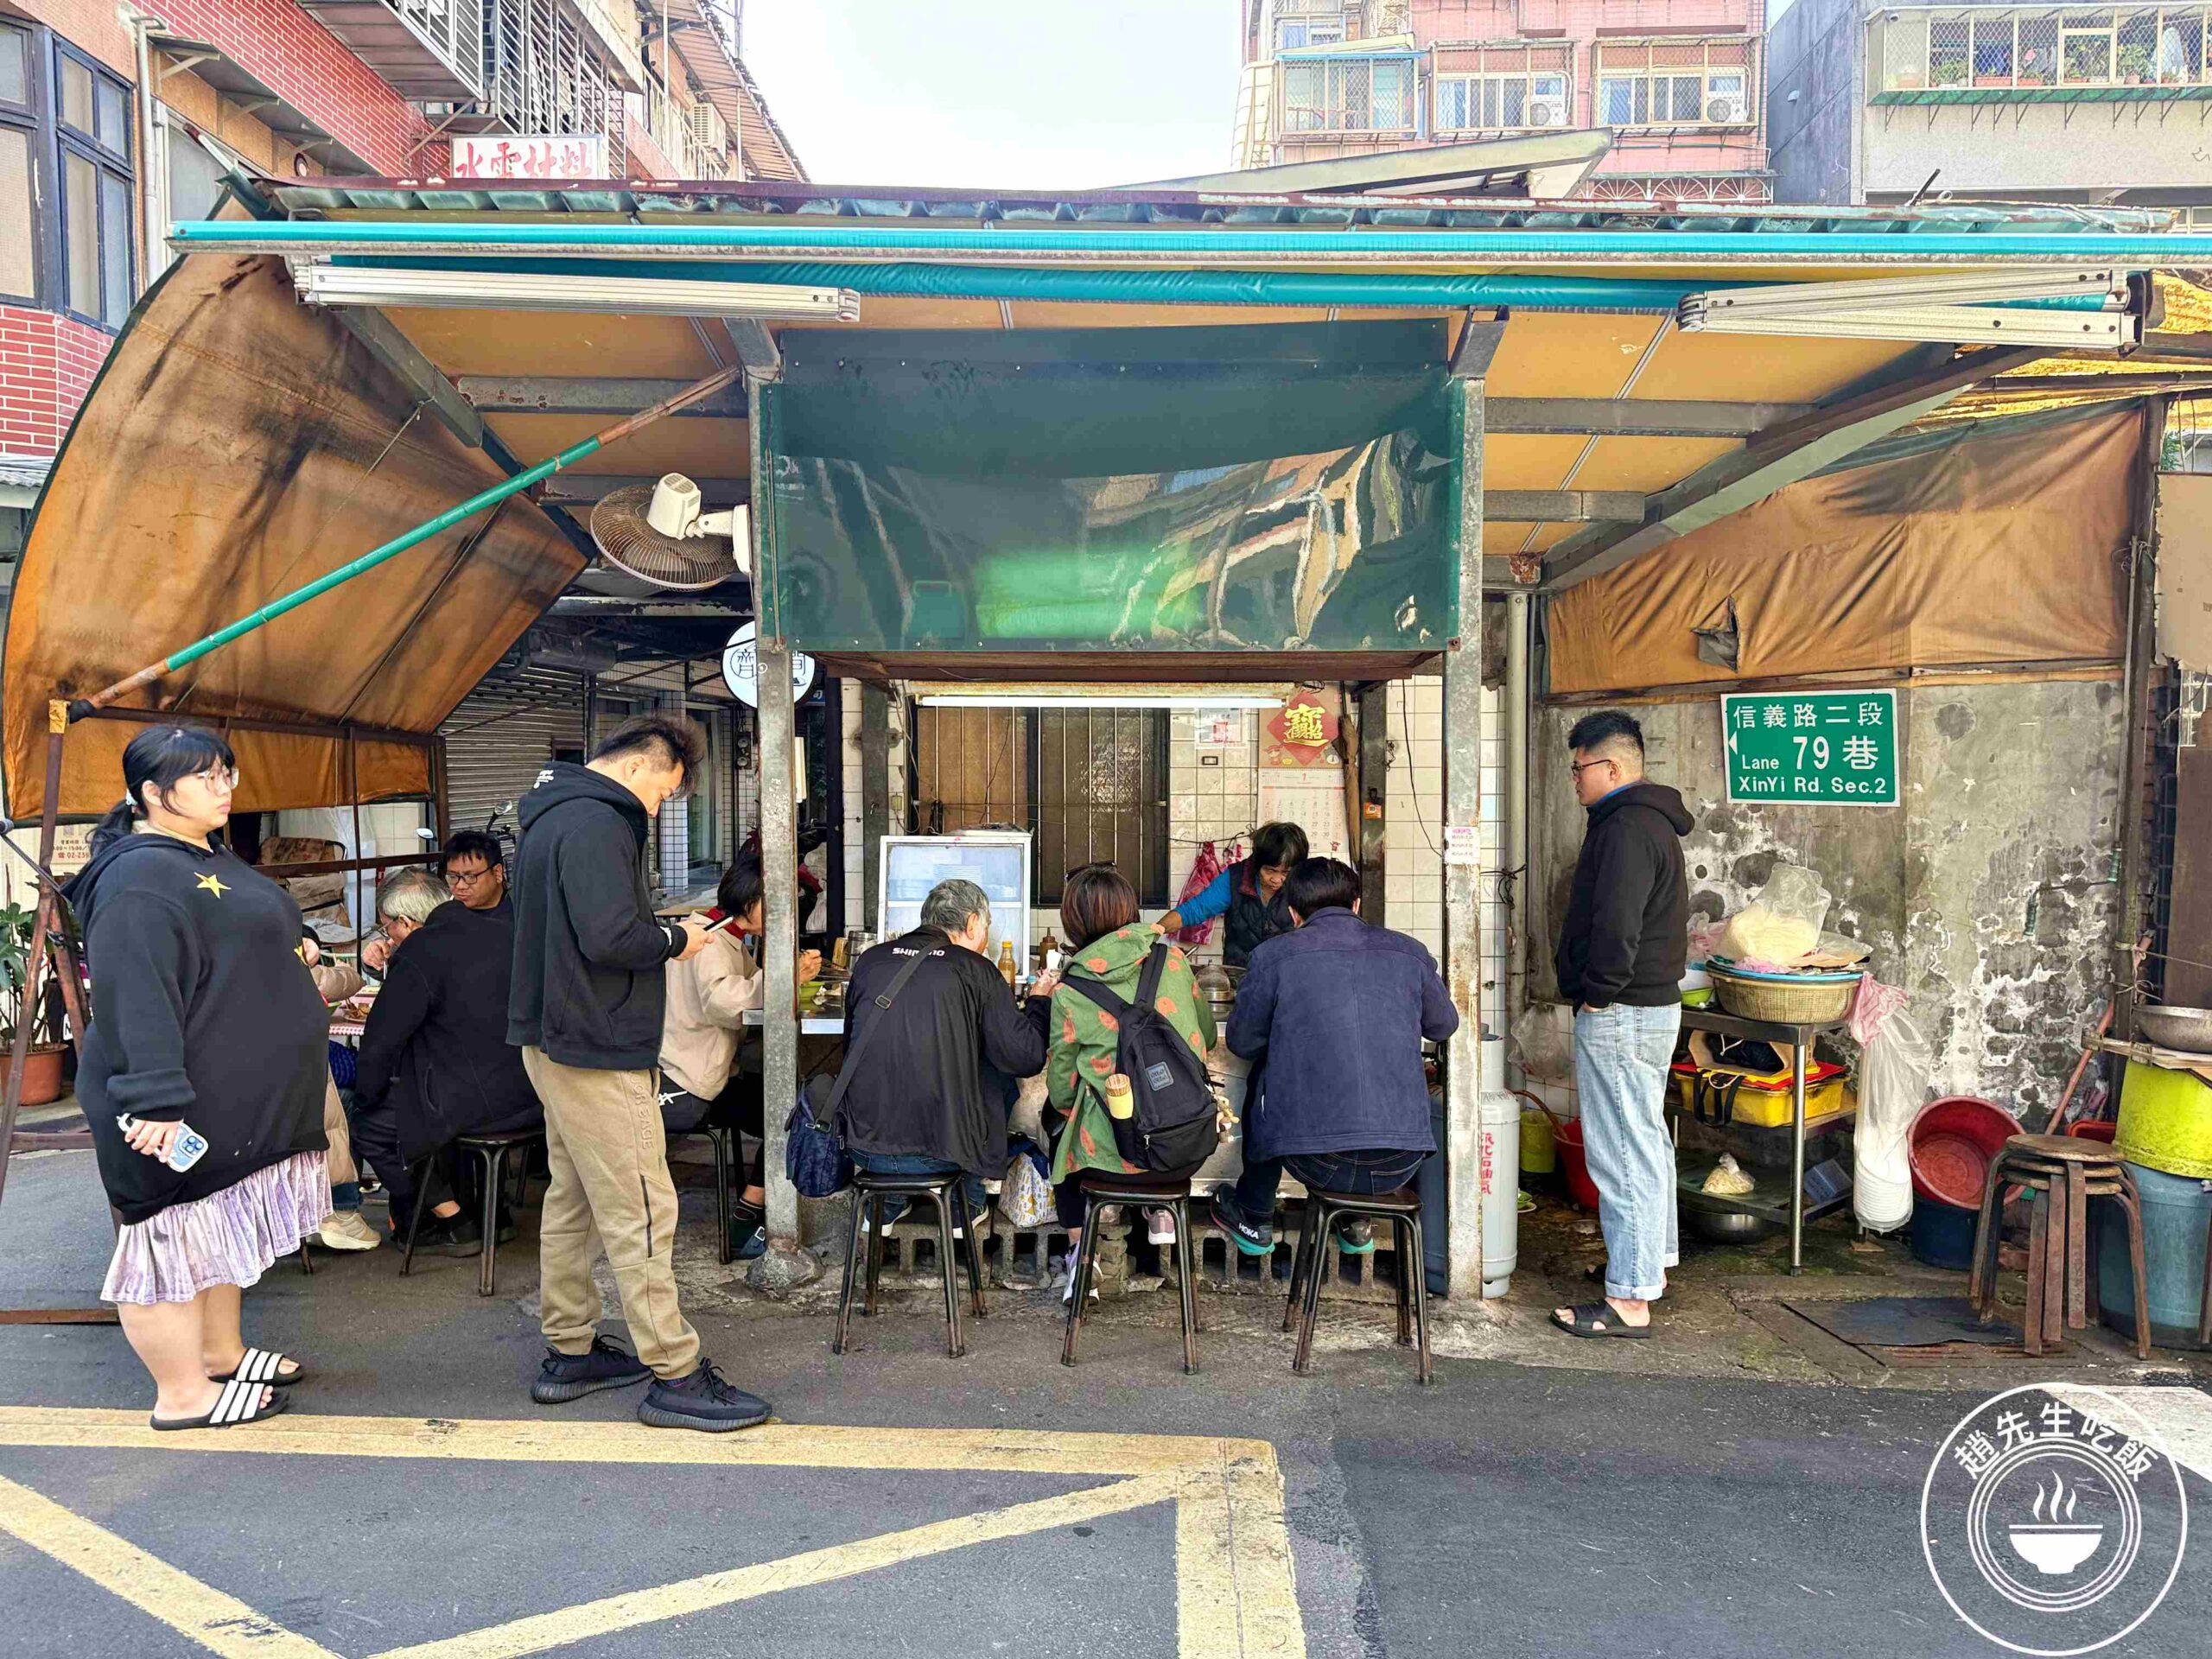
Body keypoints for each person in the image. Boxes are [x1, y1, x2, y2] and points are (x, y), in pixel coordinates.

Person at [66, 727, 333, 1429]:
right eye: (205, 777)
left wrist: (297, 944)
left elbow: (249, 926)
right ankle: (182, 1393)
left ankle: (220, 1353)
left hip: (233, 1095)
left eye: (227, 774)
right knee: (167, 1238)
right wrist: (154, 1099)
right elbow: (136, 994)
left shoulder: (205, 854)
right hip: (172, 1096)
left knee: (216, 1225)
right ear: (154, 793)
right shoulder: (136, 877)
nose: (224, 788)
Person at [508, 715, 768, 1432]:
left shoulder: (549, 816)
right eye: (664, 791)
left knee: (576, 1199)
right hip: (598, 1044)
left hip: (551, 1037)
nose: (659, 808)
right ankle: (675, 1371)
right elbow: (612, 937)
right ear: (635, 767)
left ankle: (570, 1347)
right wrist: (677, 938)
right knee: (645, 1209)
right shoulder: (599, 821)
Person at [1209, 858, 1458, 1258]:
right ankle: (1354, 1220)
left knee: (1265, 1070)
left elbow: (1242, 1042)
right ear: (1356, 904)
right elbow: (1443, 1026)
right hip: (1401, 1160)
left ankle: (1254, 1214)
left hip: (1315, 1161)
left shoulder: (1273, 956)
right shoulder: (1410, 953)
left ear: (1293, 913)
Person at [1548, 709, 1692, 1341]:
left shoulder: (1627, 828)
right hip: (1646, 1008)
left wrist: (1599, 997)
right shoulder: (1647, 822)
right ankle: (1646, 1265)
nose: (1574, 779)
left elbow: (1617, 925)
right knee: (1646, 1141)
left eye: (1579, 768)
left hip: (1623, 1010)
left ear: (1610, 767)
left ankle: (1630, 1298)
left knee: (1623, 1151)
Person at [839, 878, 1050, 1235]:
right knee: (994, 1074)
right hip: (943, 1153)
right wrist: (1039, 1002)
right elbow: (1025, 1057)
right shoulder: (976, 970)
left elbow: (851, 1044)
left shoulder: (872, 960)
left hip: (862, 1146)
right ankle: (966, 1202)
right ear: (972, 923)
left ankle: (887, 1203)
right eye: (986, 927)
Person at [1043, 864, 1217, 1297]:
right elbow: (1208, 1036)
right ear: (1130, 910)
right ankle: (1159, 1212)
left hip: (1112, 1160)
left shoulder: (1069, 991)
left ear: (1072, 921)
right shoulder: (1172, 960)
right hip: (1186, 1149)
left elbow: (1063, 1087)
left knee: (1060, 1130)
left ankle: (1082, 1259)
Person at [351, 868, 541, 1253]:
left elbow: (382, 1042)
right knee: (421, 1104)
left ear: (407, 922)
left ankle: (454, 1220)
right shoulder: (491, 931)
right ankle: (494, 1213)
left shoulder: (422, 954)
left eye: (389, 927)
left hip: (473, 1099)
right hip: (530, 1088)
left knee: (371, 1124)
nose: (388, 936)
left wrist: (366, 1095)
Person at [658, 852, 820, 1261]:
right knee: (790, 1114)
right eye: (776, 901)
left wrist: (782, 971)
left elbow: (750, 986)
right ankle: (747, 1218)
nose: (784, 911)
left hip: (712, 1074)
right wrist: (785, 978)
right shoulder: (708, 939)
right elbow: (724, 1003)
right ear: (750, 902)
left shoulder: (724, 934)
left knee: (791, 1105)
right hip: (690, 1083)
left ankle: (753, 1207)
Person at [299, 938, 381, 1252]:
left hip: (246, 1095)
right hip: (298, 1085)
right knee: (340, 1100)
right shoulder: (293, 967)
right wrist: (314, 960)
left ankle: (330, 1208)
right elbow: (349, 980)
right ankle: (342, 1210)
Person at [1158, 821, 1308, 969]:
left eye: (1286, 873)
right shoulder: (1236, 878)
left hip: (1289, 973)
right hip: (1241, 972)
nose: (1276, 879)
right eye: (1270, 871)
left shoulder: (1304, 883)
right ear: (1257, 863)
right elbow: (1194, 910)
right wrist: (1154, 930)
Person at [359, 829, 506, 975]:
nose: (460, 886)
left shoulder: (512, 923)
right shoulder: (446, 913)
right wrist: (376, 960)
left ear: (497, 873)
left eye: (470, 876)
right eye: (453, 877)